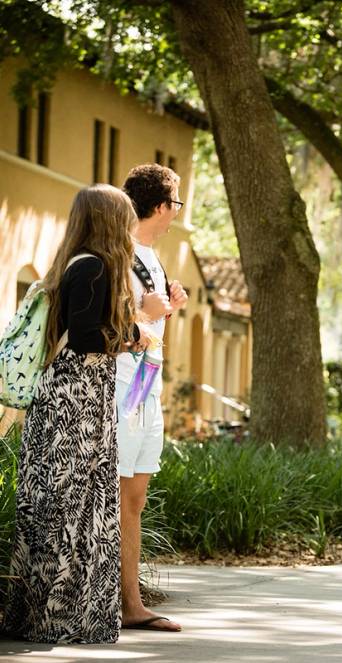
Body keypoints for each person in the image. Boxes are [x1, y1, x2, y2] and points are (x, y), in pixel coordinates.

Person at [3, 185, 150, 643]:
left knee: (61, 506)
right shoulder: (94, 267)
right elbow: (87, 336)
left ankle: (50, 616)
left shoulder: (77, 263)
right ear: (110, 220)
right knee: (74, 508)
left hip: (67, 402)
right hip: (75, 407)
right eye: (126, 217)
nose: (131, 226)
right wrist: (133, 336)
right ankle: (65, 619)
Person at [115, 164, 189, 633]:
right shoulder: (117, 252)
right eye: (176, 204)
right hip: (123, 389)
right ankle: (124, 602)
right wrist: (146, 310)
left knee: (136, 497)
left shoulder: (154, 259)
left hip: (149, 389)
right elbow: (107, 318)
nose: (176, 214)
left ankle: (131, 601)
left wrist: (169, 306)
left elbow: (152, 324)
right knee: (121, 496)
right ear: (161, 206)